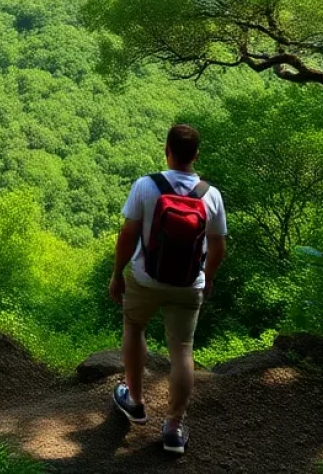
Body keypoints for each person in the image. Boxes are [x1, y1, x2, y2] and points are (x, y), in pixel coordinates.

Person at [109, 124, 227, 455]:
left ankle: (134, 400)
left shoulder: (146, 186)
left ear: (167, 151)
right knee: (182, 350)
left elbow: (127, 236)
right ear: (197, 155)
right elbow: (218, 248)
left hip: (145, 278)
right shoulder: (211, 195)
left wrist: (117, 274)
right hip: (189, 284)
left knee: (134, 326)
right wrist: (209, 276)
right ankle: (174, 429)